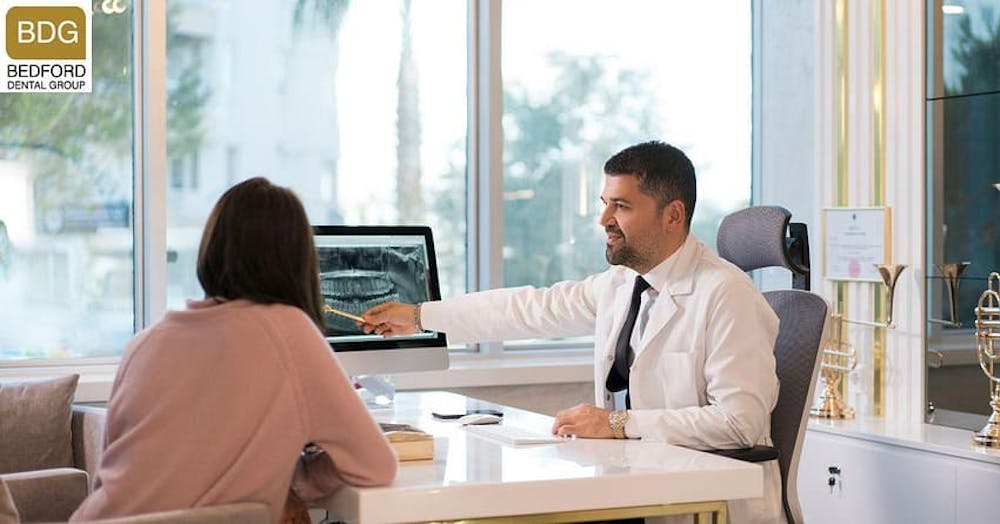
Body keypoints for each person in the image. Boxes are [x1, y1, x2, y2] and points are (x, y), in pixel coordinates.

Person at [361, 141, 783, 524]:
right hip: (637, 490)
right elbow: (528, 309)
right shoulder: (621, 283)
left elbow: (739, 423)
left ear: (673, 214)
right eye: (605, 203)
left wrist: (617, 424)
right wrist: (420, 316)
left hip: (708, 506)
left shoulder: (727, 295)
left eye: (621, 206)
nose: (604, 219)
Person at [71, 178, 397, 523]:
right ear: (298, 259)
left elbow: (112, 474)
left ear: (211, 247)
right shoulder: (288, 331)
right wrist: (299, 478)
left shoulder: (144, 344)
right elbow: (375, 464)